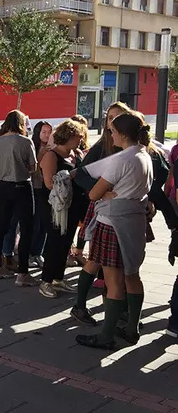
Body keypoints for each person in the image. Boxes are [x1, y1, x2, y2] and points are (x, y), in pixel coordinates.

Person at [74, 113, 153, 350]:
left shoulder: (122, 159)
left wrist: (104, 192)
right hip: (135, 221)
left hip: (113, 223)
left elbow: (93, 194)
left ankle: (106, 336)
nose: (110, 134)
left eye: (113, 131)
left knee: (114, 281)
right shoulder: (144, 155)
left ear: (123, 134)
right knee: (133, 275)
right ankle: (132, 327)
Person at [37, 120, 87, 298]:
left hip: (73, 205)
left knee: (66, 242)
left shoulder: (77, 153)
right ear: (68, 136)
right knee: (55, 242)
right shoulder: (51, 155)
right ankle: (46, 281)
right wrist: (71, 175)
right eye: (78, 136)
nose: (81, 139)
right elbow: (49, 183)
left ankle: (58, 277)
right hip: (55, 208)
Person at [0, 110, 39, 285]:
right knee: (26, 228)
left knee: (2, 225)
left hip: (3, 185)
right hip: (21, 185)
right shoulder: (26, 141)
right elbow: (33, 167)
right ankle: (23, 272)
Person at [29, 121, 53, 267]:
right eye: (44, 132)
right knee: (36, 222)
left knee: (45, 222)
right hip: (36, 187)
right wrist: (41, 154)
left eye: (49, 131)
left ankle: (39, 252)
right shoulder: (33, 146)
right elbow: (32, 168)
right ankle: (32, 253)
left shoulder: (53, 147)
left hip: (48, 188)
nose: (47, 135)